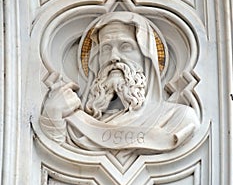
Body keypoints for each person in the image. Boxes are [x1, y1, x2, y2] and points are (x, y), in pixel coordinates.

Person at [40, 12, 199, 152]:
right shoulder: (76, 126)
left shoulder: (178, 118)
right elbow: (55, 151)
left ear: (147, 60)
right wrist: (53, 114)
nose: (113, 57)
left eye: (125, 47)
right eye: (106, 48)